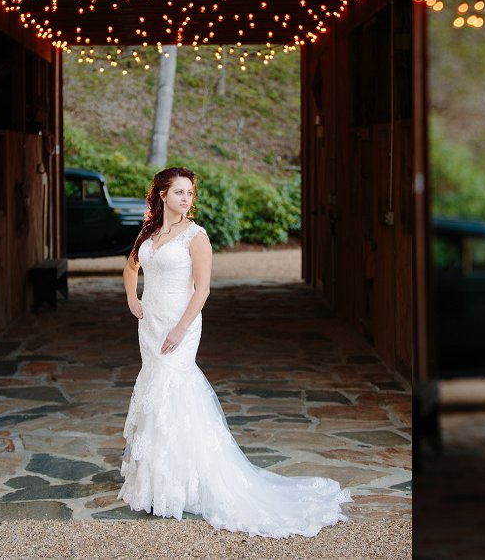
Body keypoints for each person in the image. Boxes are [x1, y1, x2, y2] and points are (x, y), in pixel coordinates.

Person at [119, 167, 350, 537]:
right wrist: (132, 298)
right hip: (151, 324)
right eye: (179, 192)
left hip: (181, 323)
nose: (186, 199)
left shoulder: (196, 236)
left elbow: (203, 289)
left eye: (189, 193)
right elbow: (131, 268)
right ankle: (155, 484)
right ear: (161, 195)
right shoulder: (149, 232)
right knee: (155, 391)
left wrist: (181, 328)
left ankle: (180, 487)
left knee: (171, 386)